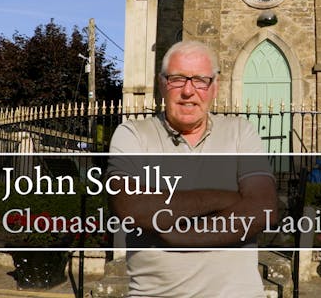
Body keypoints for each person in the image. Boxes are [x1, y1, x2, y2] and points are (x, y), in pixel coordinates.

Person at [107, 40, 278, 297]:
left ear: (214, 87)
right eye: (177, 79)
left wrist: (175, 234)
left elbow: (262, 210)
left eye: (200, 80)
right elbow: (131, 208)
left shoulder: (241, 132)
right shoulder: (133, 134)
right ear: (162, 84)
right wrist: (225, 198)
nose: (188, 91)